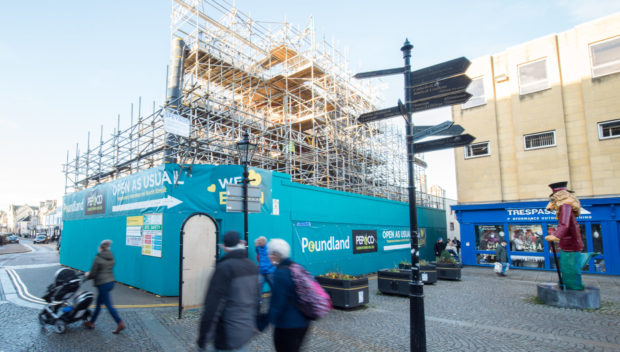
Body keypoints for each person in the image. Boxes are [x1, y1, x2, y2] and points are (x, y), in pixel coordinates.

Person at [197, 231, 258, 352]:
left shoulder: (224, 268)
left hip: (226, 335)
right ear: (241, 243)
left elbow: (212, 308)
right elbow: (256, 301)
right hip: (244, 332)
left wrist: (202, 340)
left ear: (224, 247)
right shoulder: (252, 266)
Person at [267, 239, 311, 352]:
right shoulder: (297, 267)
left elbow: (276, 305)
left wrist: (261, 323)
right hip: (304, 322)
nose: (269, 256)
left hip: (288, 326)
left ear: (276, 255)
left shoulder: (280, 274)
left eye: (270, 254)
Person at [83, 239, 125, 334]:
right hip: (110, 282)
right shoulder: (111, 257)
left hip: (102, 284)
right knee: (98, 304)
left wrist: (87, 275)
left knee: (108, 305)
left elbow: (93, 273)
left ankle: (120, 323)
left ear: (101, 248)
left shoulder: (98, 258)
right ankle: (91, 322)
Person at [254, 236, 275, 305]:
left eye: (260, 241)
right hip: (262, 272)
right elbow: (256, 245)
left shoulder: (269, 248)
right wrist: (257, 243)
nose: (259, 242)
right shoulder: (258, 248)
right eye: (259, 241)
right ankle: (258, 302)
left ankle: (275, 300)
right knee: (258, 287)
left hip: (270, 271)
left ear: (264, 242)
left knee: (274, 287)